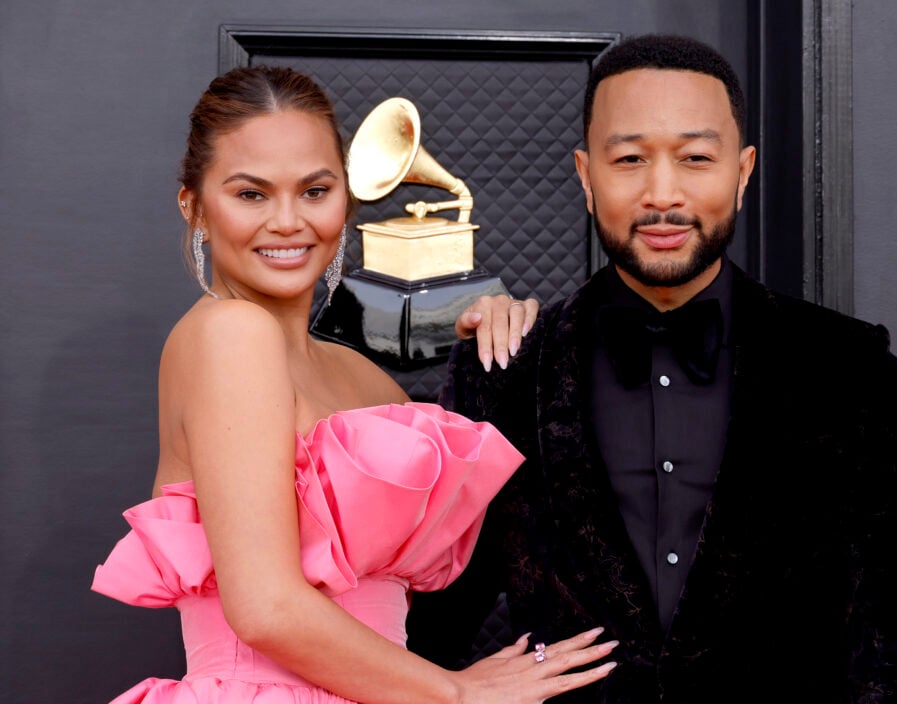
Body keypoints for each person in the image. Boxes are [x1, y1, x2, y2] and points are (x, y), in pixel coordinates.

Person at [411, 34, 897, 702]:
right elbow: (430, 615)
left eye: (695, 158)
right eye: (630, 158)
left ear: (744, 170)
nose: (661, 194)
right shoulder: (503, 368)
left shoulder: (850, 367)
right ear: (585, 175)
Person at [90, 65, 619, 704]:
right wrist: (455, 694)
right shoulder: (230, 334)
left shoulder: (359, 374)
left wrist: (504, 339)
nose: (287, 222)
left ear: (346, 197)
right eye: (251, 194)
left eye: (315, 191)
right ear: (193, 206)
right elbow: (263, 608)